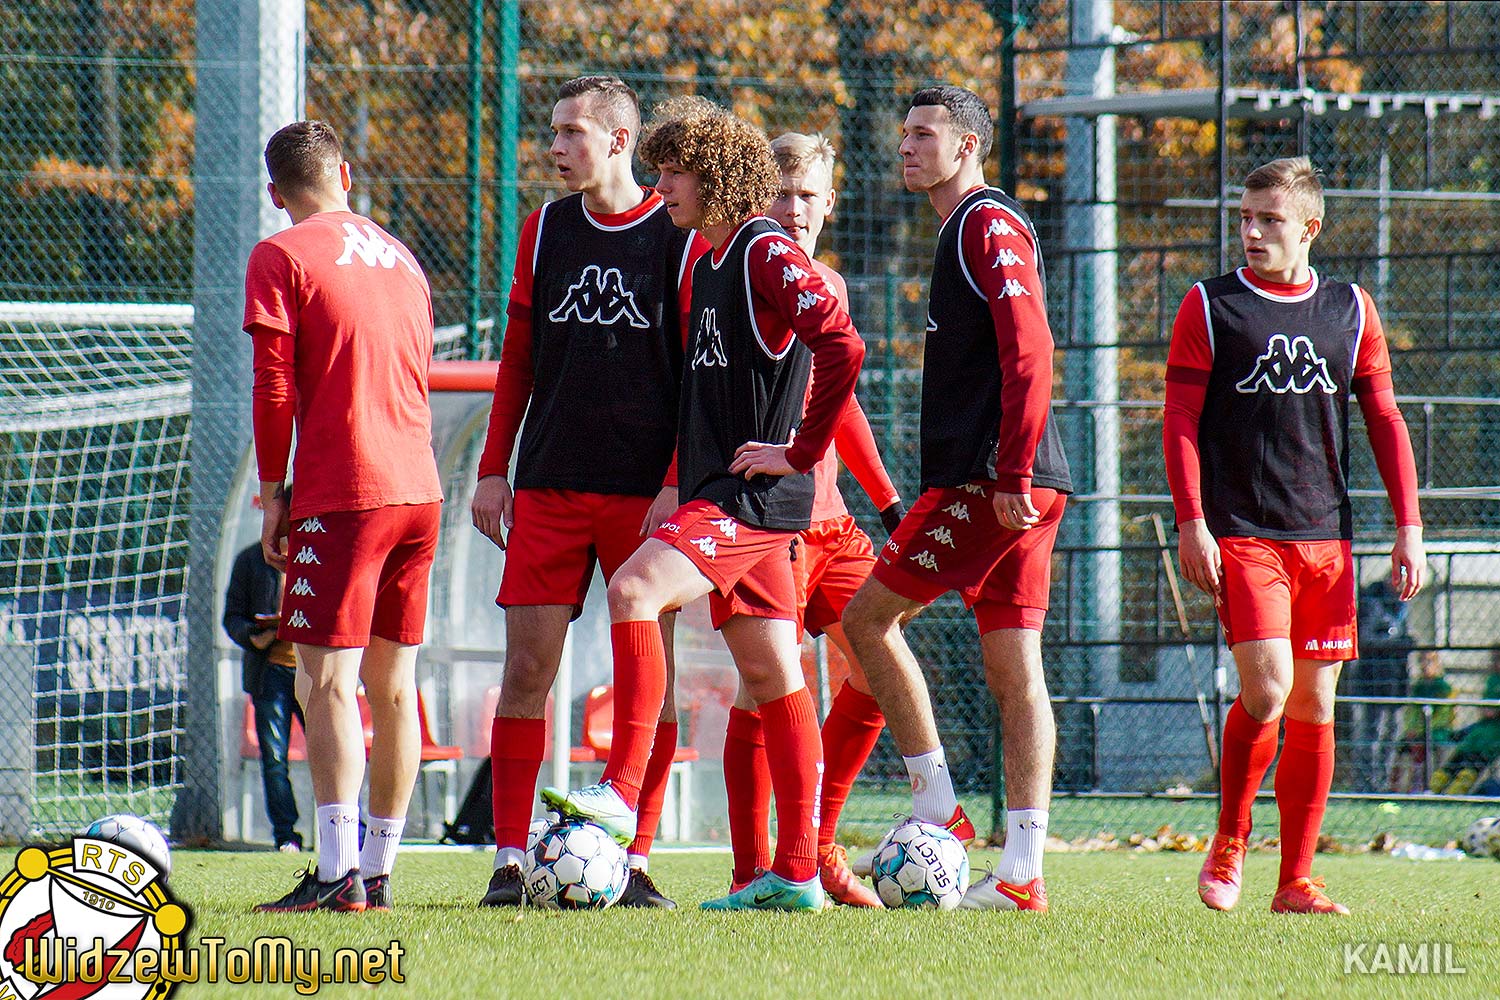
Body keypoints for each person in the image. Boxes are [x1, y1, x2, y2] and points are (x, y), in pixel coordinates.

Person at [542, 97, 866, 912]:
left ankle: (620, 790)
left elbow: (842, 342)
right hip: (733, 496)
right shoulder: (711, 258)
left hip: (751, 500)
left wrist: (797, 450)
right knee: (772, 672)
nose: (663, 187)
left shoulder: (763, 247)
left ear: (715, 175)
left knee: (633, 589)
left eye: (675, 172)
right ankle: (795, 876)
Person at [470, 76, 708, 911]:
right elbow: (518, 360)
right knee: (526, 670)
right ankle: (508, 860)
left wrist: (675, 480)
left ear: (618, 140)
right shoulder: (543, 229)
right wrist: (493, 468)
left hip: (643, 495)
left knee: (653, 682)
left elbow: (697, 378)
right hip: (549, 484)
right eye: (554, 130)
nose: (556, 146)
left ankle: (633, 859)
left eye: (572, 131)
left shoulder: (677, 233)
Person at [1164, 156, 1425, 915]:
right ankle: (1231, 837)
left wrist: (1408, 527)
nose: (1251, 232)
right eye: (1244, 218)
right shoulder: (1209, 305)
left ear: (1310, 227)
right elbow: (1179, 421)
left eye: (1269, 220)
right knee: (1269, 688)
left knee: (1313, 705)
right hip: (1244, 533)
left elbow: (1385, 419)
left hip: (1326, 537)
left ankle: (1296, 881)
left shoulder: (1351, 309)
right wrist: (1191, 521)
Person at [840, 85, 1073, 913]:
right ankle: (1021, 874)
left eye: (924, 134)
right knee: (1014, 670)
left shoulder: (986, 222)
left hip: (994, 483)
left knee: (867, 619)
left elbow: (1031, 349)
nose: (906, 146)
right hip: (1017, 483)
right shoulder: (961, 229)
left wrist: (1012, 470)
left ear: (967, 146)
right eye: (904, 133)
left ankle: (937, 807)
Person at [245, 120, 444, 913]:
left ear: (275, 193)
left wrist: (274, 492)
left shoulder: (282, 254)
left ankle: (335, 874)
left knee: (324, 679)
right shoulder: (402, 256)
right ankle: (378, 868)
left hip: (347, 488)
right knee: (394, 688)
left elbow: (273, 386)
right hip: (419, 488)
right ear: (346, 175)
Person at [718, 132, 905, 908]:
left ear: (830, 202)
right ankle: (751, 871)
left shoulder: (828, 283)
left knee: (878, 667)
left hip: (833, 521)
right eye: (780, 193)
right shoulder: (742, 273)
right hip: (773, 522)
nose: (793, 208)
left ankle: (817, 847)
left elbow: (844, 403)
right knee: (762, 690)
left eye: (807, 195)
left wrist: (888, 502)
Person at [223, 504, 304, 854]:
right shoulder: (251, 560)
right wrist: (255, 636)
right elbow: (233, 617)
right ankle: (286, 835)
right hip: (269, 672)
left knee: (332, 753)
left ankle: (349, 828)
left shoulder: (318, 557)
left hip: (313, 674)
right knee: (274, 756)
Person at [1432, 649, 1500, 795]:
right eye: (1494, 660)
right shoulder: (1493, 679)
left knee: (1470, 768)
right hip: (1481, 729)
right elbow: (1486, 709)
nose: (1496, 664)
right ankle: (1433, 791)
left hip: (1494, 733)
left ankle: (1453, 796)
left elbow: (1491, 710)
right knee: (1456, 759)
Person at [1390, 650, 1454, 793]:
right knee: (1403, 747)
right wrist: (1410, 729)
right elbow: (1411, 712)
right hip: (1416, 732)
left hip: (1436, 731)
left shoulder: (1443, 687)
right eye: (1422, 661)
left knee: (1427, 745)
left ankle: (1428, 786)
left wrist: (1422, 730)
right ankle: (1398, 787)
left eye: (1429, 661)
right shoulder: (1418, 686)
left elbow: (1444, 717)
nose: (1425, 665)